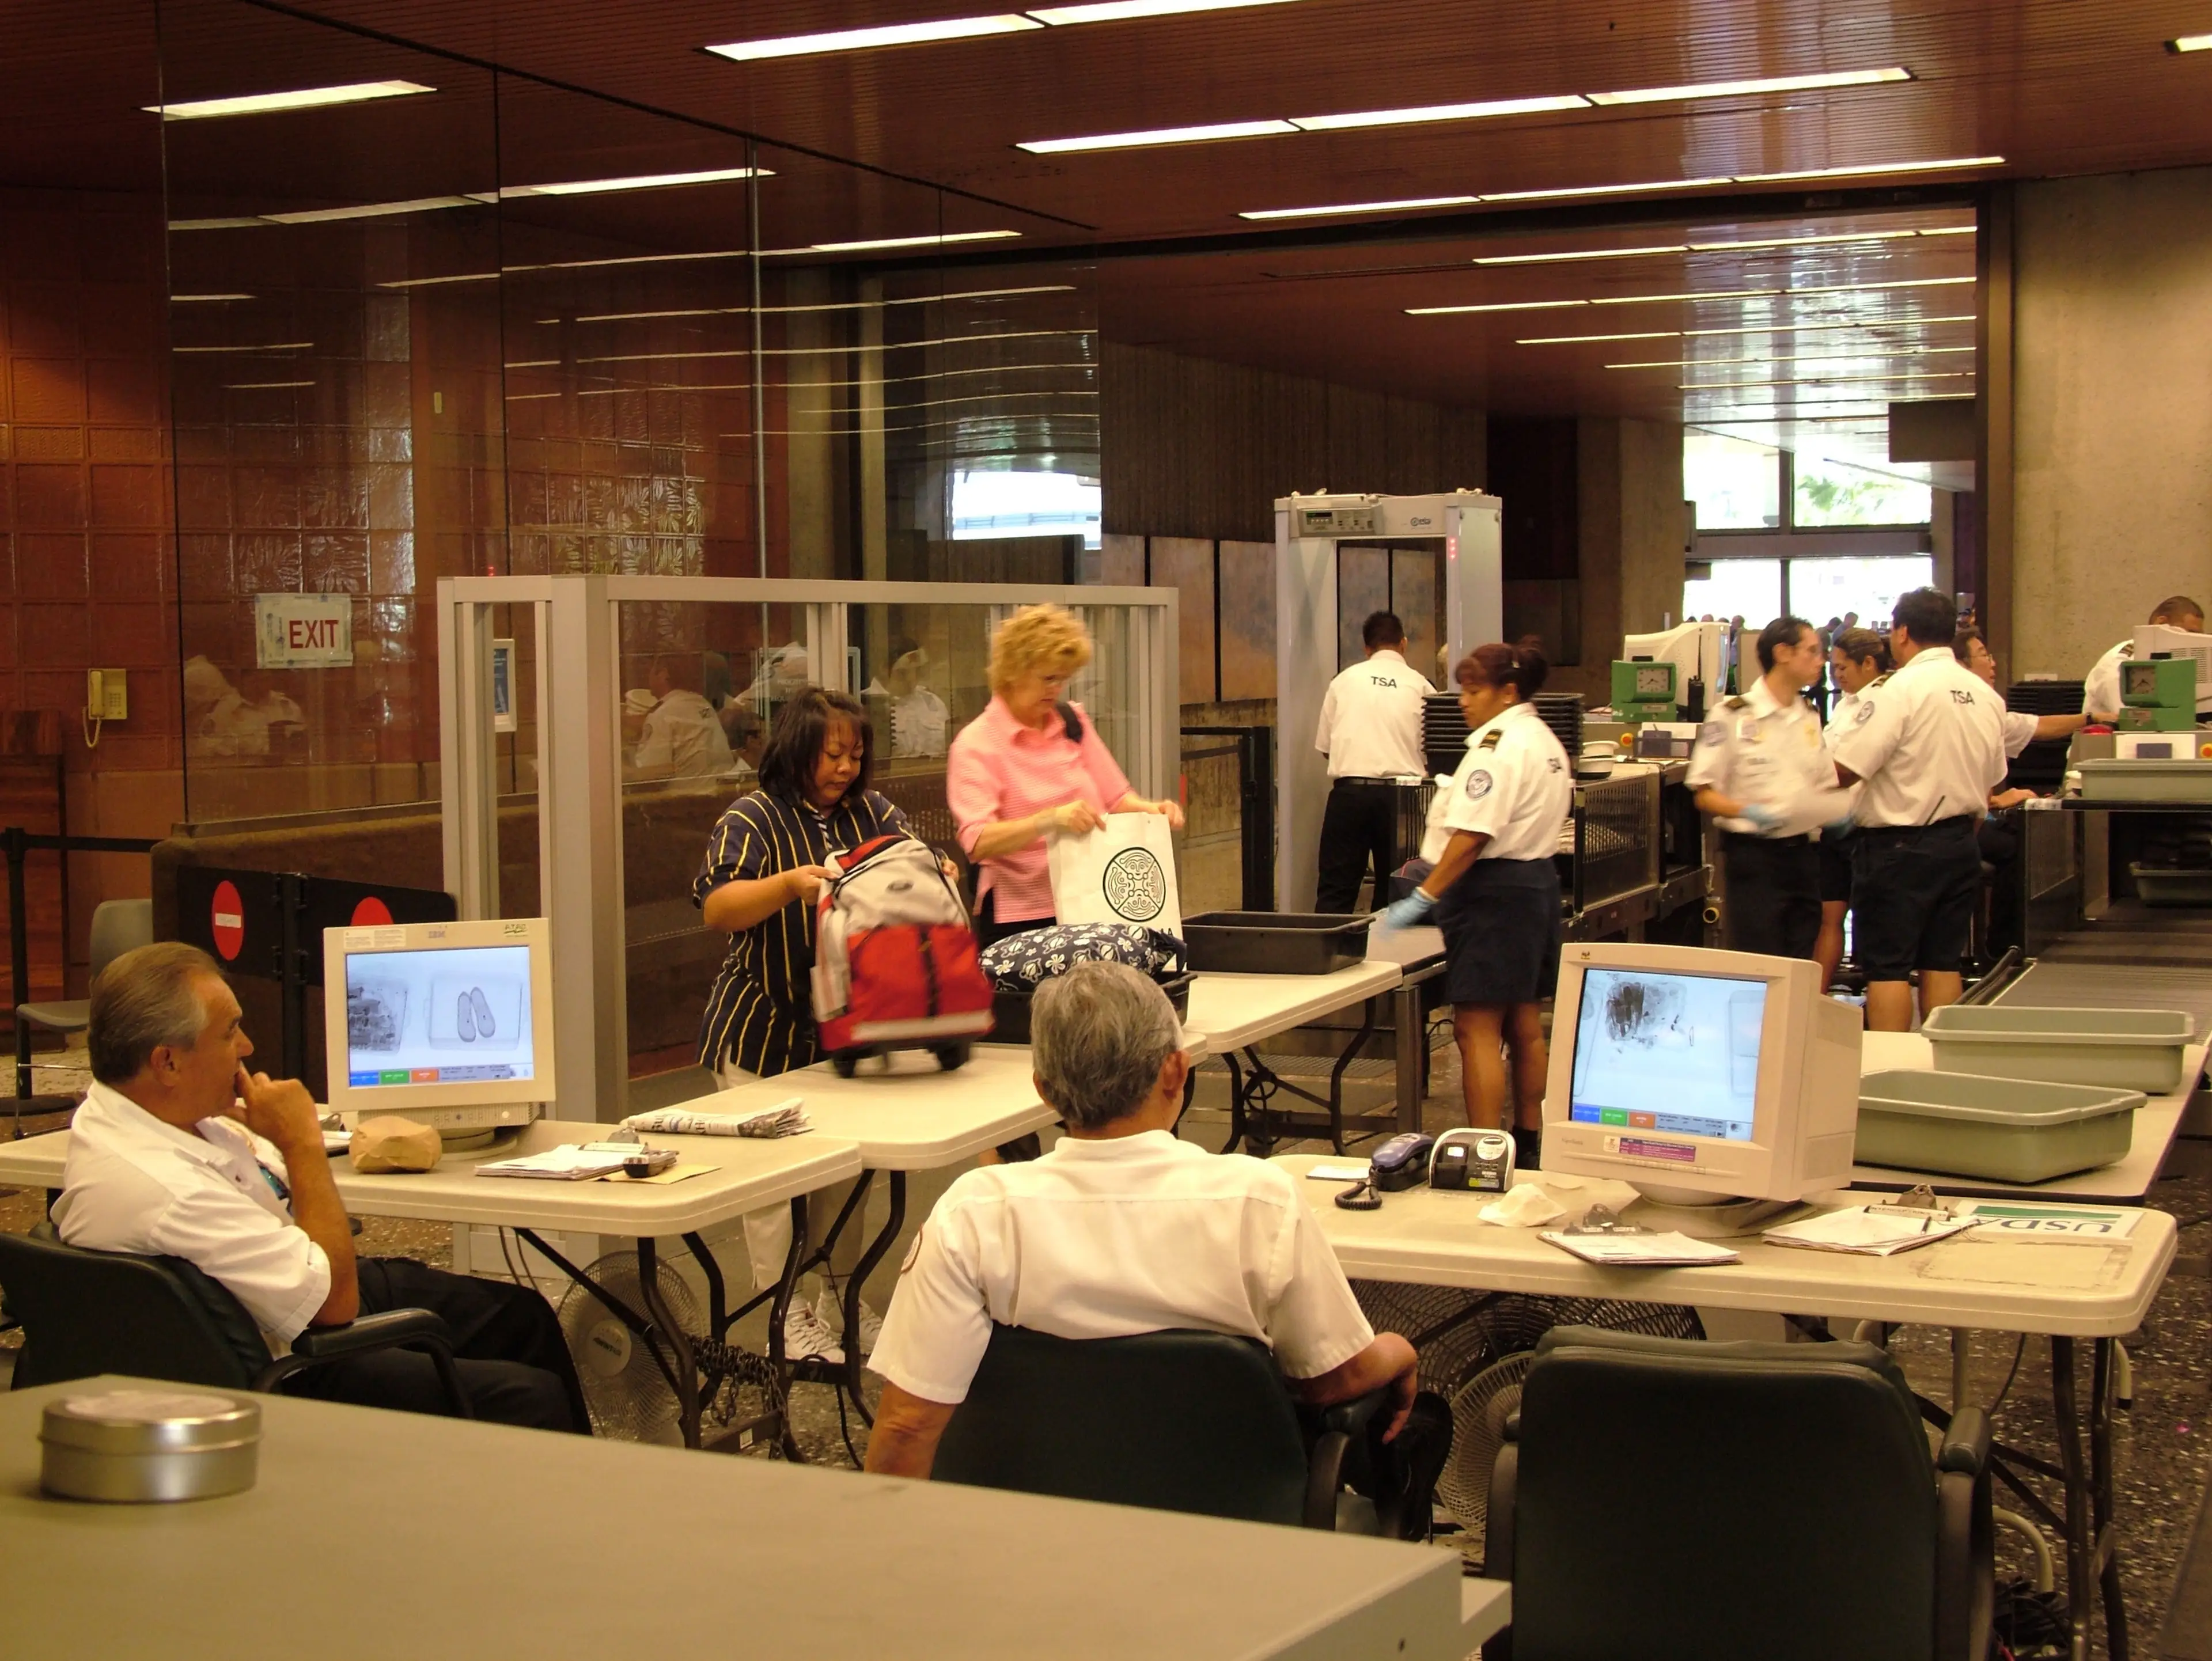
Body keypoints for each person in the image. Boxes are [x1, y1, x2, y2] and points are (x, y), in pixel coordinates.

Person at [863, 961, 1430, 1489]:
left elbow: (908, 1426)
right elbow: (1329, 1379)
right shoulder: (1258, 1202)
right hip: (1233, 1545)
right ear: (1176, 1069)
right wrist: (1396, 1349)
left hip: (1025, 1550)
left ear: (1043, 1088)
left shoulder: (973, 1215)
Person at [53, 943, 587, 1432]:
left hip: (275, 1284)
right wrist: (304, 1144)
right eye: (229, 1033)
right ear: (167, 1062)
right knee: (528, 1396)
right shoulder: (167, 1191)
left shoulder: (130, 1112)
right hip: (290, 1363)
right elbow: (334, 1305)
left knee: (524, 1318)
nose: (247, 1045)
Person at [694, 687, 908, 1363]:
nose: (846, 767)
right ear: (797, 749)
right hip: (763, 1030)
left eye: (856, 753)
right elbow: (718, 908)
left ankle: (841, 1302)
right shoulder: (751, 818)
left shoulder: (871, 812)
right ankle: (783, 1314)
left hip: (845, 1029)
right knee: (774, 1187)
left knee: (848, 1176)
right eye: (832, 753)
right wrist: (787, 885)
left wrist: (934, 869)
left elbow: (908, 864)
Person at [1381, 644, 1571, 1167]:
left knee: (1478, 1028)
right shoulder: (1543, 739)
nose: (1463, 700)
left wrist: (1424, 894)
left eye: (1473, 690)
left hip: (1493, 894)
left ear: (1507, 692)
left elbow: (1471, 836)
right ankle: (1529, 1142)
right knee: (1525, 1023)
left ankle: (1487, 1152)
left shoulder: (1497, 747)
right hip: (1535, 885)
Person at [946, 605, 1183, 949]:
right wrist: (1050, 820)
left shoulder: (1072, 721)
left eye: (1063, 678)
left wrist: (1154, 811)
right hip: (1021, 918)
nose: (1056, 688)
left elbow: (1116, 799)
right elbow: (977, 841)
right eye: (1047, 678)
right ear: (1013, 672)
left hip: (1093, 898)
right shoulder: (976, 744)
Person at [1827, 589, 2006, 1033]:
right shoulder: (1984, 695)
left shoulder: (1898, 689)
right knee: (1942, 962)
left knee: (1887, 969)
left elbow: (1847, 769)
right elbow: (1992, 779)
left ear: (1902, 632)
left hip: (1899, 847)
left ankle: (1889, 1075)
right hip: (1961, 842)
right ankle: (1939, 1068)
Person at [1687, 616, 1845, 962]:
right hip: (1755, 859)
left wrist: (1838, 809)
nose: (1822, 661)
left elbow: (1823, 784)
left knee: (1802, 960)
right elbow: (1703, 792)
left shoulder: (1808, 715)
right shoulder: (1732, 715)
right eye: (1813, 651)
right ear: (1783, 653)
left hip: (1804, 857)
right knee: (1760, 964)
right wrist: (1749, 812)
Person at [1312, 611, 1436, 913]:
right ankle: (1387, 955)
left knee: (1336, 888)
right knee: (1395, 888)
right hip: (1402, 799)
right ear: (1403, 644)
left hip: (1349, 794)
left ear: (1367, 648)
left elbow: (1326, 748)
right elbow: (1435, 752)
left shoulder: (1343, 682)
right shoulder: (1422, 687)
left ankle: (1327, 954)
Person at [1815, 628, 1891, 991]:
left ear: (1870, 663)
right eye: (1834, 667)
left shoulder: (1886, 702)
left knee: (1873, 923)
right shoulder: (1844, 704)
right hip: (1833, 823)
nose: (1838, 675)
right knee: (1829, 916)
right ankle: (1817, 994)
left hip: (1866, 824)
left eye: (1844, 667)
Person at [1955, 626, 2101, 799]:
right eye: (1984, 655)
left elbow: (2037, 726)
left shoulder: (1988, 713)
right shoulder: (1958, 717)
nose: (1993, 663)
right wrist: (1997, 800)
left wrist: (2091, 718)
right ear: (1961, 665)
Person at [2082, 595, 2205, 716]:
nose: (2195, 641)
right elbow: (2134, 718)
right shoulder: (2118, 663)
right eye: (2190, 633)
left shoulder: (2174, 665)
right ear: (2161, 623)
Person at [632, 654, 733, 779]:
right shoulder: (703, 704)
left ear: (663, 674)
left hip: (687, 796)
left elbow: (651, 776)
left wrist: (625, 771)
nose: (648, 677)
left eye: (651, 671)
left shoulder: (663, 716)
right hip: (722, 794)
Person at [862, 636, 950, 759]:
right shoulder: (865, 705)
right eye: (903, 673)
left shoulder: (933, 703)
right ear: (883, 669)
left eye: (917, 671)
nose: (911, 679)